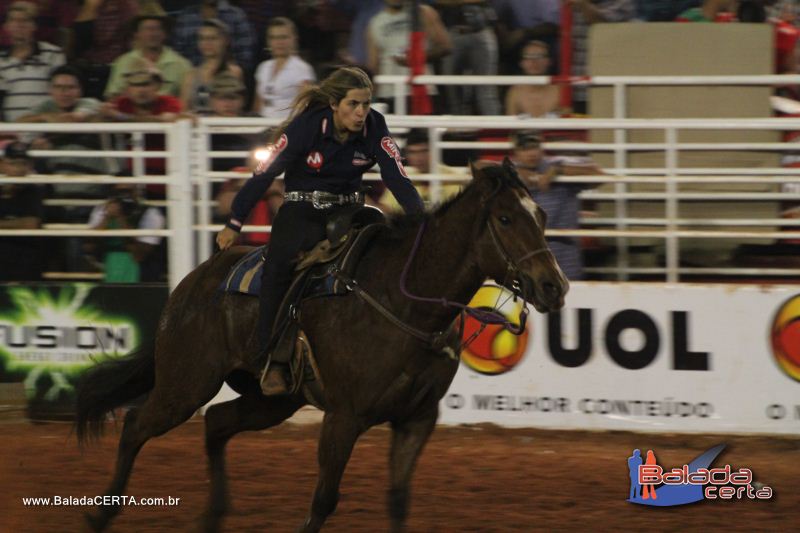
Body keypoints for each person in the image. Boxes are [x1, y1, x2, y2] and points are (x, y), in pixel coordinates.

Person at [215, 66, 423, 389]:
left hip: (350, 210)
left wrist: (420, 222)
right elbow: (264, 174)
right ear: (334, 104)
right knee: (278, 266)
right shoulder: (306, 126)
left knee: (384, 250)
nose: (361, 112)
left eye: (366, 104)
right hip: (302, 210)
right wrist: (234, 222)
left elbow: (396, 177)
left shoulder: (375, 125)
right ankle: (269, 355)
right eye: (353, 104)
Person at [511, 130, 603, 280]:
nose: (531, 153)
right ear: (516, 152)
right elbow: (478, 167)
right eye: (524, 148)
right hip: (527, 265)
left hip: (564, 264)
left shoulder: (557, 166)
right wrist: (517, 173)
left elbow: (599, 176)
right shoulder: (509, 171)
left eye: (534, 147)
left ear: (541, 148)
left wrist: (558, 171)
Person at [366, 0, 452, 111]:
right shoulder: (375, 22)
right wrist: (370, 98)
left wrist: (416, 58)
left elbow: (445, 46)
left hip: (422, 90)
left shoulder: (423, 13)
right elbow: (374, 65)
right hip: (388, 92)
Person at [85, 185, 166, 282]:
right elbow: (89, 246)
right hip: (106, 267)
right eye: (119, 192)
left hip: (140, 272)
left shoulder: (150, 213)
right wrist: (106, 217)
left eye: (127, 192)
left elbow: (139, 255)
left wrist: (121, 218)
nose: (123, 196)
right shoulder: (103, 210)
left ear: (137, 192)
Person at [104, 10, 192, 99]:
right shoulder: (123, 62)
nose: (153, 34)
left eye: (158, 29)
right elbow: (112, 97)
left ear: (165, 34)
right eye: (147, 29)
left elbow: (186, 101)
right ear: (137, 33)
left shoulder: (181, 65)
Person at [0, 1, 65, 121]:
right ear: (6, 26)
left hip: (44, 126)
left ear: (34, 25)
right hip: (10, 128)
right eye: (13, 20)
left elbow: (62, 93)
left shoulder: (53, 54)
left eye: (25, 20)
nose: (19, 25)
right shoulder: (1, 61)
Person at [435, 0, 502, 115]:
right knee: (453, 92)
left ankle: (496, 126)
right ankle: (459, 126)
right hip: (452, 34)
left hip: (482, 32)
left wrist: (456, 2)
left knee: (486, 91)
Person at [253, 17, 316, 119]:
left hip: (287, 124)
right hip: (262, 124)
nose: (279, 42)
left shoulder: (302, 69)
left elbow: (305, 106)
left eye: (283, 37)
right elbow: (258, 105)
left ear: (294, 39)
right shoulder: (263, 68)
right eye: (274, 38)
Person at [0, 141, 45, 282]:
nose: (18, 169)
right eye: (13, 163)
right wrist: (15, 222)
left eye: (23, 164)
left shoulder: (33, 191)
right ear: (2, 165)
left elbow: (31, 224)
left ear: (29, 166)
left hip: (24, 258)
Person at [179, 18, 243, 114]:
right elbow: (183, 110)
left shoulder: (233, 72)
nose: (207, 43)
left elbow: (237, 105)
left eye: (213, 38)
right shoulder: (190, 76)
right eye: (202, 39)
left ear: (225, 41)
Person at [170, 0, 255, 72]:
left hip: (228, 75)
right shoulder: (186, 17)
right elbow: (178, 54)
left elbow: (245, 56)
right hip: (192, 75)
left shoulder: (236, 15)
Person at [505, 40, 561, 118]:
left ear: (549, 61)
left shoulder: (560, 91)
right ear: (522, 63)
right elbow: (510, 123)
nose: (534, 61)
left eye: (540, 56)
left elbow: (568, 121)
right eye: (528, 57)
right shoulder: (515, 92)